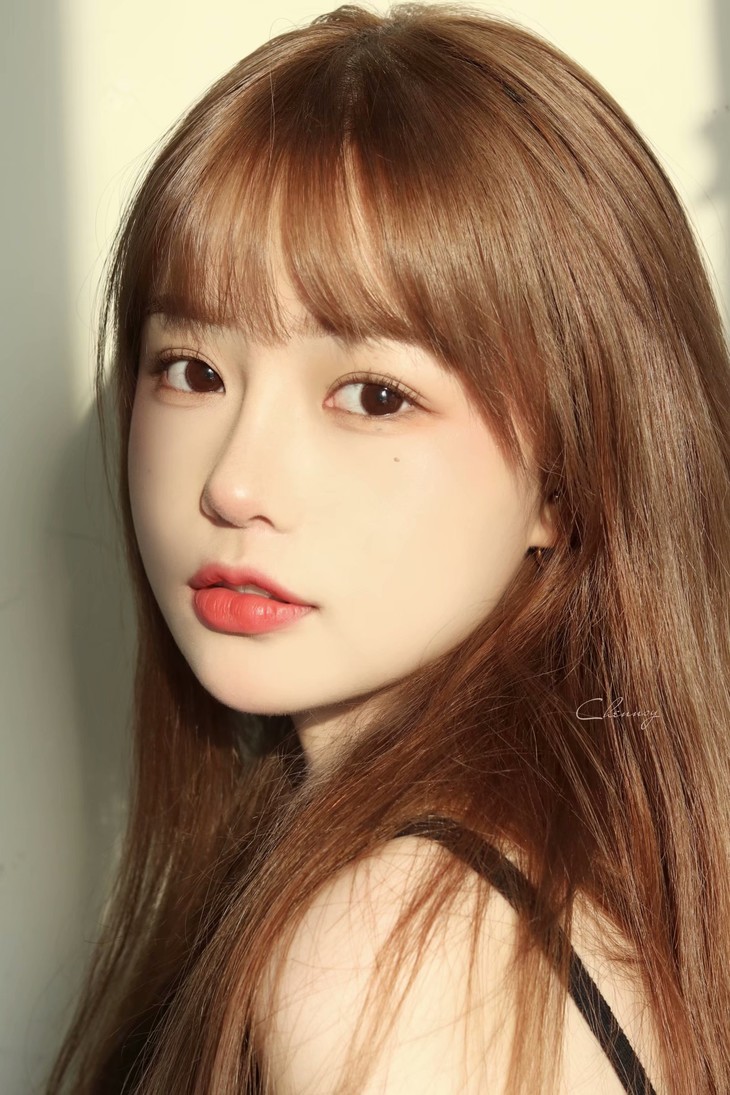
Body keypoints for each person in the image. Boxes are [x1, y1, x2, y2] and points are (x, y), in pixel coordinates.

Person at [46, 3, 730, 1092]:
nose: (233, 483)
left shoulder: (401, 956)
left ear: (564, 479)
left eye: (372, 395)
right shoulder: (558, 882)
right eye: (192, 370)